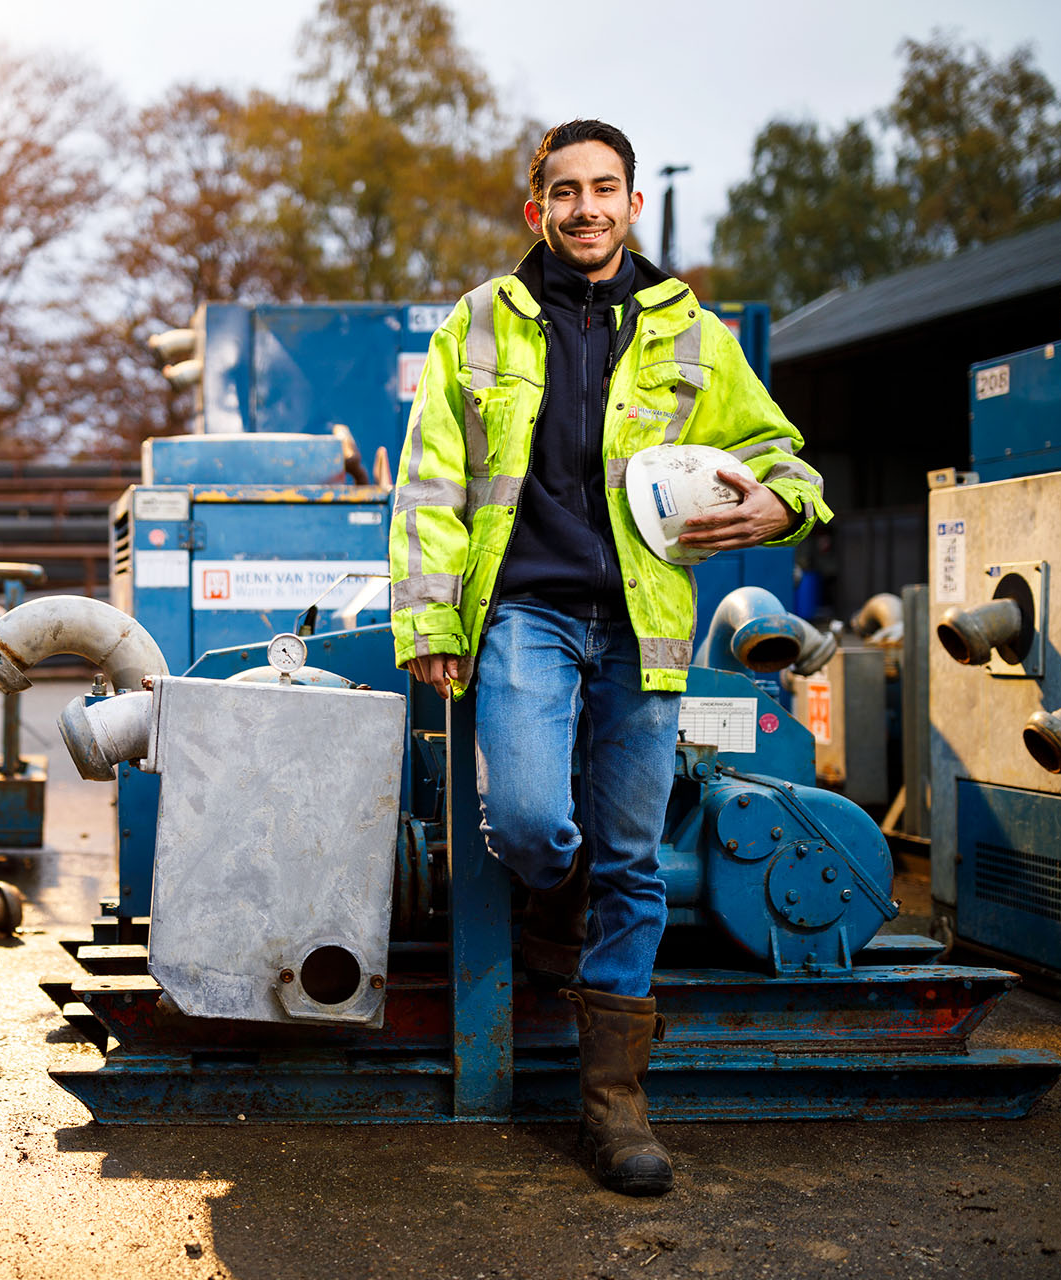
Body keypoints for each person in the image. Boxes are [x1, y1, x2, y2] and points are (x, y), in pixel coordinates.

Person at [387, 119, 831, 1195]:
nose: (587, 207)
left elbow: (779, 454)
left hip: (645, 622)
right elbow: (432, 482)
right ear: (535, 208)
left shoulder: (698, 337)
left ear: (633, 205)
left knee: (634, 854)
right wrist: (434, 622)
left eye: (607, 188)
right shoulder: (480, 323)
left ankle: (615, 1102)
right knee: (532, 820)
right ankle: (555, 897)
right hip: (528, 613)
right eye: (565, 191)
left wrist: (783, 502)